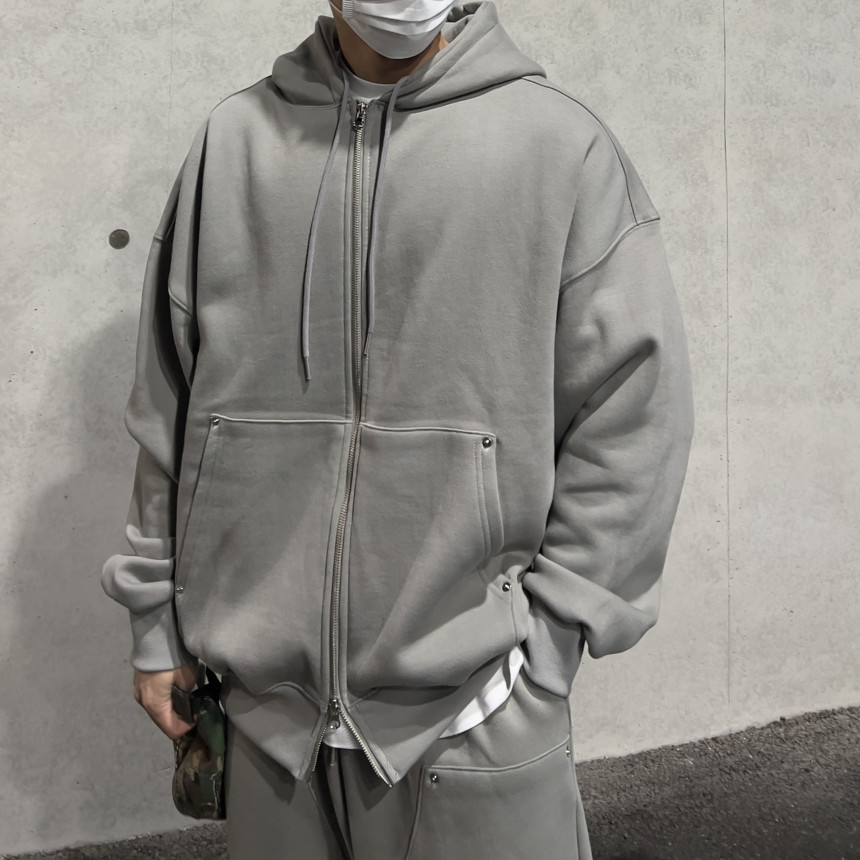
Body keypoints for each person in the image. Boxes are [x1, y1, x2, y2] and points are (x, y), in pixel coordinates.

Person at [101, 1, 695, 856]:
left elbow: (634, 414)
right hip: (267, 725)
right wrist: (156, 625)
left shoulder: (560, 147)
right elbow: (170, 404)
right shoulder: (233, 143)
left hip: (477, 713)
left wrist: (548, 647)